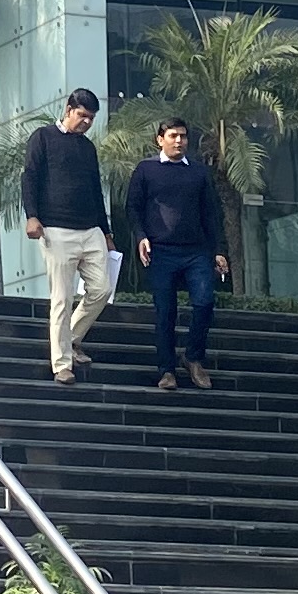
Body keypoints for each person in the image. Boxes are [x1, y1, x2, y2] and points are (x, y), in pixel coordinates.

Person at [18, 88, 114, 381]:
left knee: (102, 289)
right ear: (69, 109)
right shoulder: (43, 137)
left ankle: (70, 338)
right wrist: (32, 216)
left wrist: (106, 231)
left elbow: (96, 189)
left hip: (90, 229)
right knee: (62, 298)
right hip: (56, 230)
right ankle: (62, 365)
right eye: (82, 115)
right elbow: (29, 176)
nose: (86, 122)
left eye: (91, 118)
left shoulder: (88, 148)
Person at [125, 117, 226, 392]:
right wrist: (141, 237)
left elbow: (211, 213)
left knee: (204, 302)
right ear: (160, 139)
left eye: (183, 136)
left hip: (196, 251)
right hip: (161, 251)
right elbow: (133, 207)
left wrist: (219, 250)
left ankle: (193, 357)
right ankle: (167, 370)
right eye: (172, 136)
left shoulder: (199, 172)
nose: (179, 141)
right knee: (165, 312)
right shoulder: (146, 169)